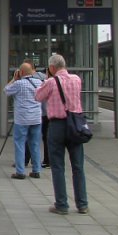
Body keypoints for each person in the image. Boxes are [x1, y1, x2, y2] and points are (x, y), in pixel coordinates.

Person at [35, 53, 88, 215]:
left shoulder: (51, 82)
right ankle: (82, 204)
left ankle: (62, 204)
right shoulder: (76, 80)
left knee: (58, 165)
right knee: (78, 166)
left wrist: (45, 81)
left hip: (57, 125)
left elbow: (38, 96)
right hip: (75, 125)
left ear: (51, 68)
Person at [5, 62, 43, 179]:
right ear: (32, 71)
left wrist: (13, 79)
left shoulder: (19, 84)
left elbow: (6, 90)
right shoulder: (39, 82)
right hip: (36, 118)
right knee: (35, 144)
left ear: (20, 72)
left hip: (22, 119)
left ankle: (20, 171)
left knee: (20, 144)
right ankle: (36, 170)